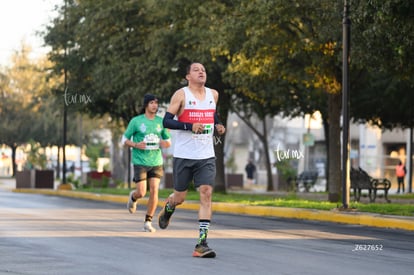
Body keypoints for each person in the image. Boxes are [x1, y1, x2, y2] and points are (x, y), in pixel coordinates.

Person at [159, 62, 226, 258]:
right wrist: (189, 126)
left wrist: (219, 125)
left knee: (206, 193)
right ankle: (169, 206)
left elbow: (214, 114)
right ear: (188, 76)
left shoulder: (213, 94)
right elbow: (166, 121)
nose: (201, 72)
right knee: (180, 197)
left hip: (206, 155)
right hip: (184, 155)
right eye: (196, 70)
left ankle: (201, 243)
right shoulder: (181, 95)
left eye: (203, 69)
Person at [122, 94, 171, 232]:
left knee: (155, 190)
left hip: (156, 161)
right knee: (142, 192)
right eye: (151, 103)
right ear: (146, 105)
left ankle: (148, 222)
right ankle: (133, 197)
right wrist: (136, 144)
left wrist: (164, 143)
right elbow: (124, 139)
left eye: (156, 103)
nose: (154, 105)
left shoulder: (161, 122)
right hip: (140, 161)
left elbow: (168, 141)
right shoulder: (136, 121)